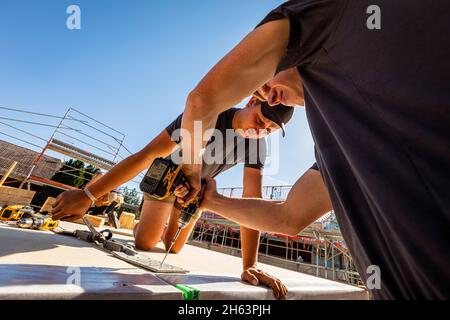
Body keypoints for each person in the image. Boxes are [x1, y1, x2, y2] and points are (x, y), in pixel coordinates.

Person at [176, 0, 450, 299]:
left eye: (261, 85)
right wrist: (211, 201)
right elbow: (290, 217)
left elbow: (203, 100)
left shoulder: (337, 14)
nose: (268, 97)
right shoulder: (339, 140)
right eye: (258, 94)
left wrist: (191, 170)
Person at [51, 97, 294, 300]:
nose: (260, 130)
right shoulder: (208, 116)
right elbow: (148, 153)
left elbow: (252, 198)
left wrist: (249, 265)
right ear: (252, 102)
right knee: (145, 244)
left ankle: (171, 216)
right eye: (260, 120)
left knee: (173, 247)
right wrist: (88, 195)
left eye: (269, 130)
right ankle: (139, 221)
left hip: (197, 188)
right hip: (167, 176)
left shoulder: (258, 145)